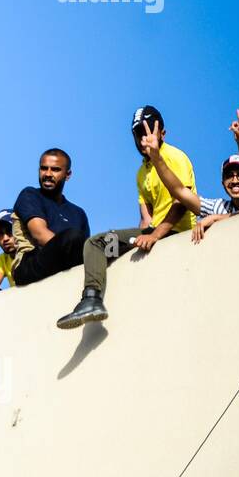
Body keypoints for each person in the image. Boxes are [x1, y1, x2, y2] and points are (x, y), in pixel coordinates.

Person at [57, 106, 196, 329]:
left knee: (97, 242)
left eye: (149, 130)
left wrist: (154, 236)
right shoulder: (141, 172)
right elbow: (145, 220)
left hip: (175, 232)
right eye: (138, 133)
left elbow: (181, 203)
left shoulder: (175, 157)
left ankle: (91, 299)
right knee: (101, 245)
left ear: (162, 133)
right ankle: (92, 299)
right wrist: (126, 247)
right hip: (155, 231)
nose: (144, 138)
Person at [144, 127, 239, 242]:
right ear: (222, 183)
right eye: (229, 175)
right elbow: (180, 191)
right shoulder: (219, 207)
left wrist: (215, 218)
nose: (235, 180)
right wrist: (156, 158)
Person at [11, 149, 92, 287]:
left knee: (111, 242)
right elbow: (39, 235)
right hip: (30, 264)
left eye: (55, 170)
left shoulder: (78, 213)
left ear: (68, 175)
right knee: (73, 237)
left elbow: (86, 246)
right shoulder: (30, 195)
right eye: (44, 168)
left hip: (66, 267)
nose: (48, 174)